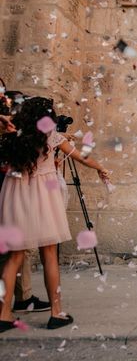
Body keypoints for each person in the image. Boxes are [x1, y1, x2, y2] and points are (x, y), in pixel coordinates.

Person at [0, 97, 111, 332]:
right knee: (49, 253)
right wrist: (101, 167)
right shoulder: (51, 136)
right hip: (42, 197)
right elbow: (82, 157)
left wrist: (10, 121)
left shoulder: (15, 133)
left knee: (14, 257)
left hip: (16, 194)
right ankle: (56, 312)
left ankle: (4, 314)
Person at [0, 85, 51, 314]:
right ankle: (10, 305)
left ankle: (19, 299)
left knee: (17, 252)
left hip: (12, 191)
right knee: (14, 252)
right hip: (13, 191)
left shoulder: (16, 132)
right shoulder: (16, 134)